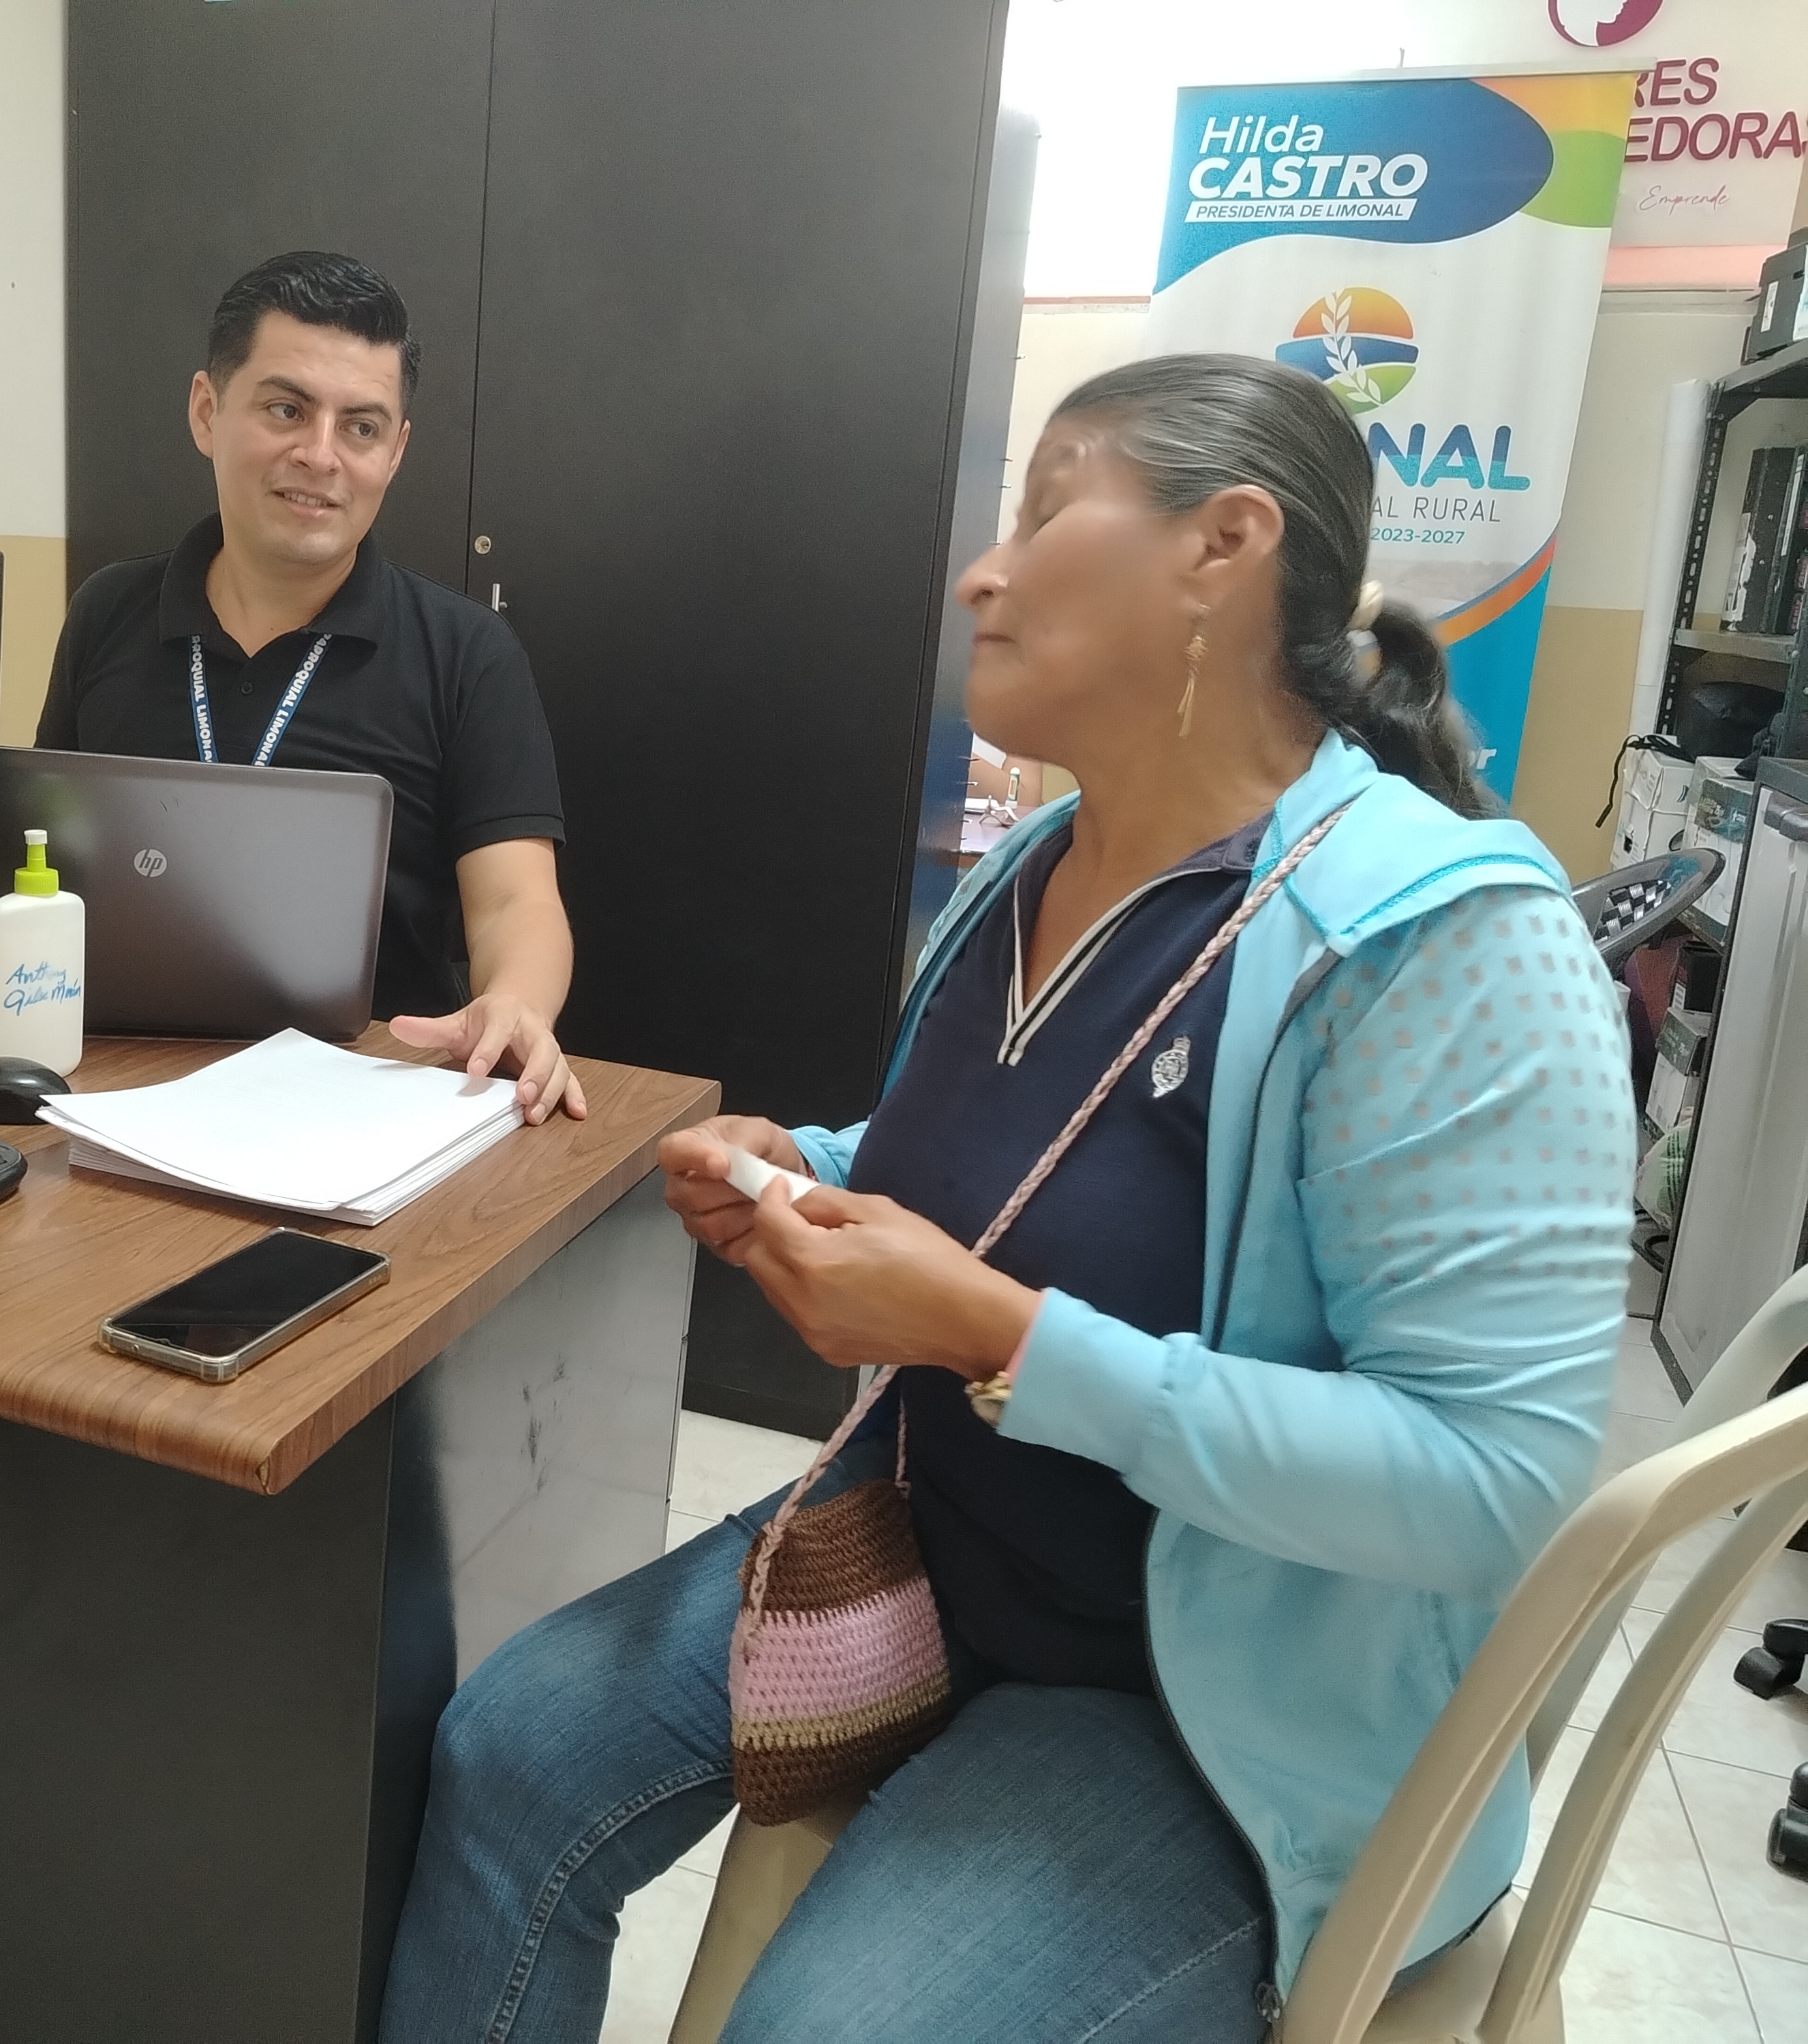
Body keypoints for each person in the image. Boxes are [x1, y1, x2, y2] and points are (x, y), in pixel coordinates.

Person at [378, 354, 1631, 2041]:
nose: (981, 571)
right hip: (921, 1549)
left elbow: (1491, 1485)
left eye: (1042, 510)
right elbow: (995, 1173)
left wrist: (1000, 1337)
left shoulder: (1439, 939)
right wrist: (806, 1171)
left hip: (1196, 1702)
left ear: (1223, 546)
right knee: (505, 1753)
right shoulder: (1027, 877)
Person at [37, 251, 585, 1123]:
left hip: (372, 1093)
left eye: (360, 427)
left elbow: (516, 900)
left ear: (395, 452)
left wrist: (516, 1002)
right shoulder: (108, 611)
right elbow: (41, 854)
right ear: (207, 411)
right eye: (286, 409)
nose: (320, 456)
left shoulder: (467, 653)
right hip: (115, 1081)